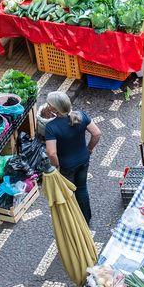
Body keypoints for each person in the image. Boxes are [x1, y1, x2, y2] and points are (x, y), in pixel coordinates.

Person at [44, 91, 102, 223]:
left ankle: (73, 223)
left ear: (54, 108)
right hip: (83, 160)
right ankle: (86, 219)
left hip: (66, 166)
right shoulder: (81, 116)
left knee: (68, 193)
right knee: (82, 188)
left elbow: (51, 153)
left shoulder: (51, 127)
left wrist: (57, 166)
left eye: (49, 104)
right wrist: (89, 149)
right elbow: (97, 133)